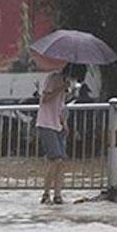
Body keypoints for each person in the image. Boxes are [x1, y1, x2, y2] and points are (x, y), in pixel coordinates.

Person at [36, 63, 85, 204]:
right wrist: (60, 89)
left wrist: (64, 123)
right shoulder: (53, 78)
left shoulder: (66, 83)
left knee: (61, 162)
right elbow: (45, 99)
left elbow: (60, 106)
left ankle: (58, 195)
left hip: (57, 125)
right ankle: (46, 194)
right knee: (55, 159)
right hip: (46, 123)